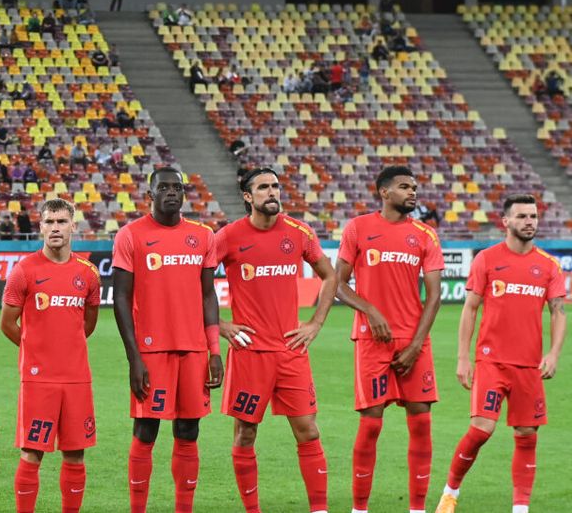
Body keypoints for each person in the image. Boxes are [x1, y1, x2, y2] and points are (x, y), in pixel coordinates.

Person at [216, 168, 354, 513]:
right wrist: (220, 325)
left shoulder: (298, 232)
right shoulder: (229, 236)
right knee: (246, 433)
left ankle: (319, 510)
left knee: (308, 430)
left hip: (291, 350)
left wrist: (316, 323)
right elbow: (192, 282)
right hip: (250, 353)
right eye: (263, 187)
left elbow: (330, 275)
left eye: (275, 186)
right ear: (248, 196)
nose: (272, 192)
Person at [435, 194, 566, 513]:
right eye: (522, 217)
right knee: (481, 429)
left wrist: (553, 353)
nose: (529, 222)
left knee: (526, 435)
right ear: (505, 221)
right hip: (491, 361)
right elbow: (470, 309)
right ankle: (450, 492)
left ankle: (520, 508)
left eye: (533, 216)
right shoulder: (487, 259)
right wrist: (463, 357)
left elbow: (558, 311)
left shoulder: (549, 265)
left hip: (529, 366)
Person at [112, 167, 223, 513]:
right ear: (151, 195)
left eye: (177, 187)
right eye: (164, 187)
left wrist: (215, 350)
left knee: (189, 430)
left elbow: (209, 296)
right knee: (146, 430)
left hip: (194, 349)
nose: (172, 192)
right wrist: (134, 359)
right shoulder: (131, 236)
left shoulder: (203, 236)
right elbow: (121, 299)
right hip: (151, 350)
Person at [337, 165, 444, 513]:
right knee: (370, 424)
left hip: (414, 341)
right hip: (372, 340)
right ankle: (359, 509)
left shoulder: (425, 235)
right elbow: (336, 283)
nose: (413, 192)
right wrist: (370, 310)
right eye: (404, 186)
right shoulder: (358, 228)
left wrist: (416, 344)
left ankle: (417, 509)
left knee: (422, 423)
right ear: (384, 192)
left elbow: (434, 296)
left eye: (414, 186)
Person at [1, 198, 101, 513]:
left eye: (61, 222)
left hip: (76, 378)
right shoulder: (24, 270)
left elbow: (88, 324)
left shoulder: (88, 273)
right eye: (49, 222)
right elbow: (7, 323)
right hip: (37, 379)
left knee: (75, 454)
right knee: (32, 453)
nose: (55, 228)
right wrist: (36, 349)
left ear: (73, 226)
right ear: (40, 227)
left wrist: (64, 348)